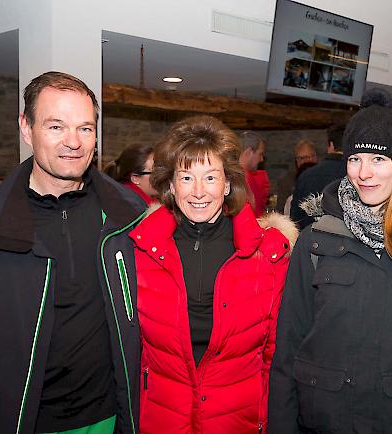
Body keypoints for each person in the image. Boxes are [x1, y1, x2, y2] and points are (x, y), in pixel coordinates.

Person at [269, 88, 392, 434]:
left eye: (378, 160)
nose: (363, 173)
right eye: (355, 159)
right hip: (325, 420)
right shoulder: (315, 240)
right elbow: (288, 348)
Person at [0, 71, 145, 434]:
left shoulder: (127, 213)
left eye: (85, 128)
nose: (74, 141)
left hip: (109, 415)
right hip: (22, 419)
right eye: (56, 127)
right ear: (26, 128)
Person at [131, 115, 298, 434]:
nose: (198, 192)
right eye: (186, 178)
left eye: (210, 177)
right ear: (170, 184)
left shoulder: (268, 255)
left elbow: (276, 358)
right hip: (162, 421)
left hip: (239, 423)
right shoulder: (140, 250)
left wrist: (266, 420)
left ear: (228, 184)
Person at [290, 123, 347, 229]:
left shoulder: (306, 176)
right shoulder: (359, 175)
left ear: (330, 146)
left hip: (311, 239)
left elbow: (295, 219)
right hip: (348, 242)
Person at [276, 139, 318, 213]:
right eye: (300, 158)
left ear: (315, 157)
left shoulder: (323, 176)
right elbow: (281, 209)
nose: (304, 161)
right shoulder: (286, 181)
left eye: (307, 157)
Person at [239, 130, 270, 216]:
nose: (261, 159)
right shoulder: (244, 178)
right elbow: (256, 215)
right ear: (249, 152)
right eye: (260, 154)